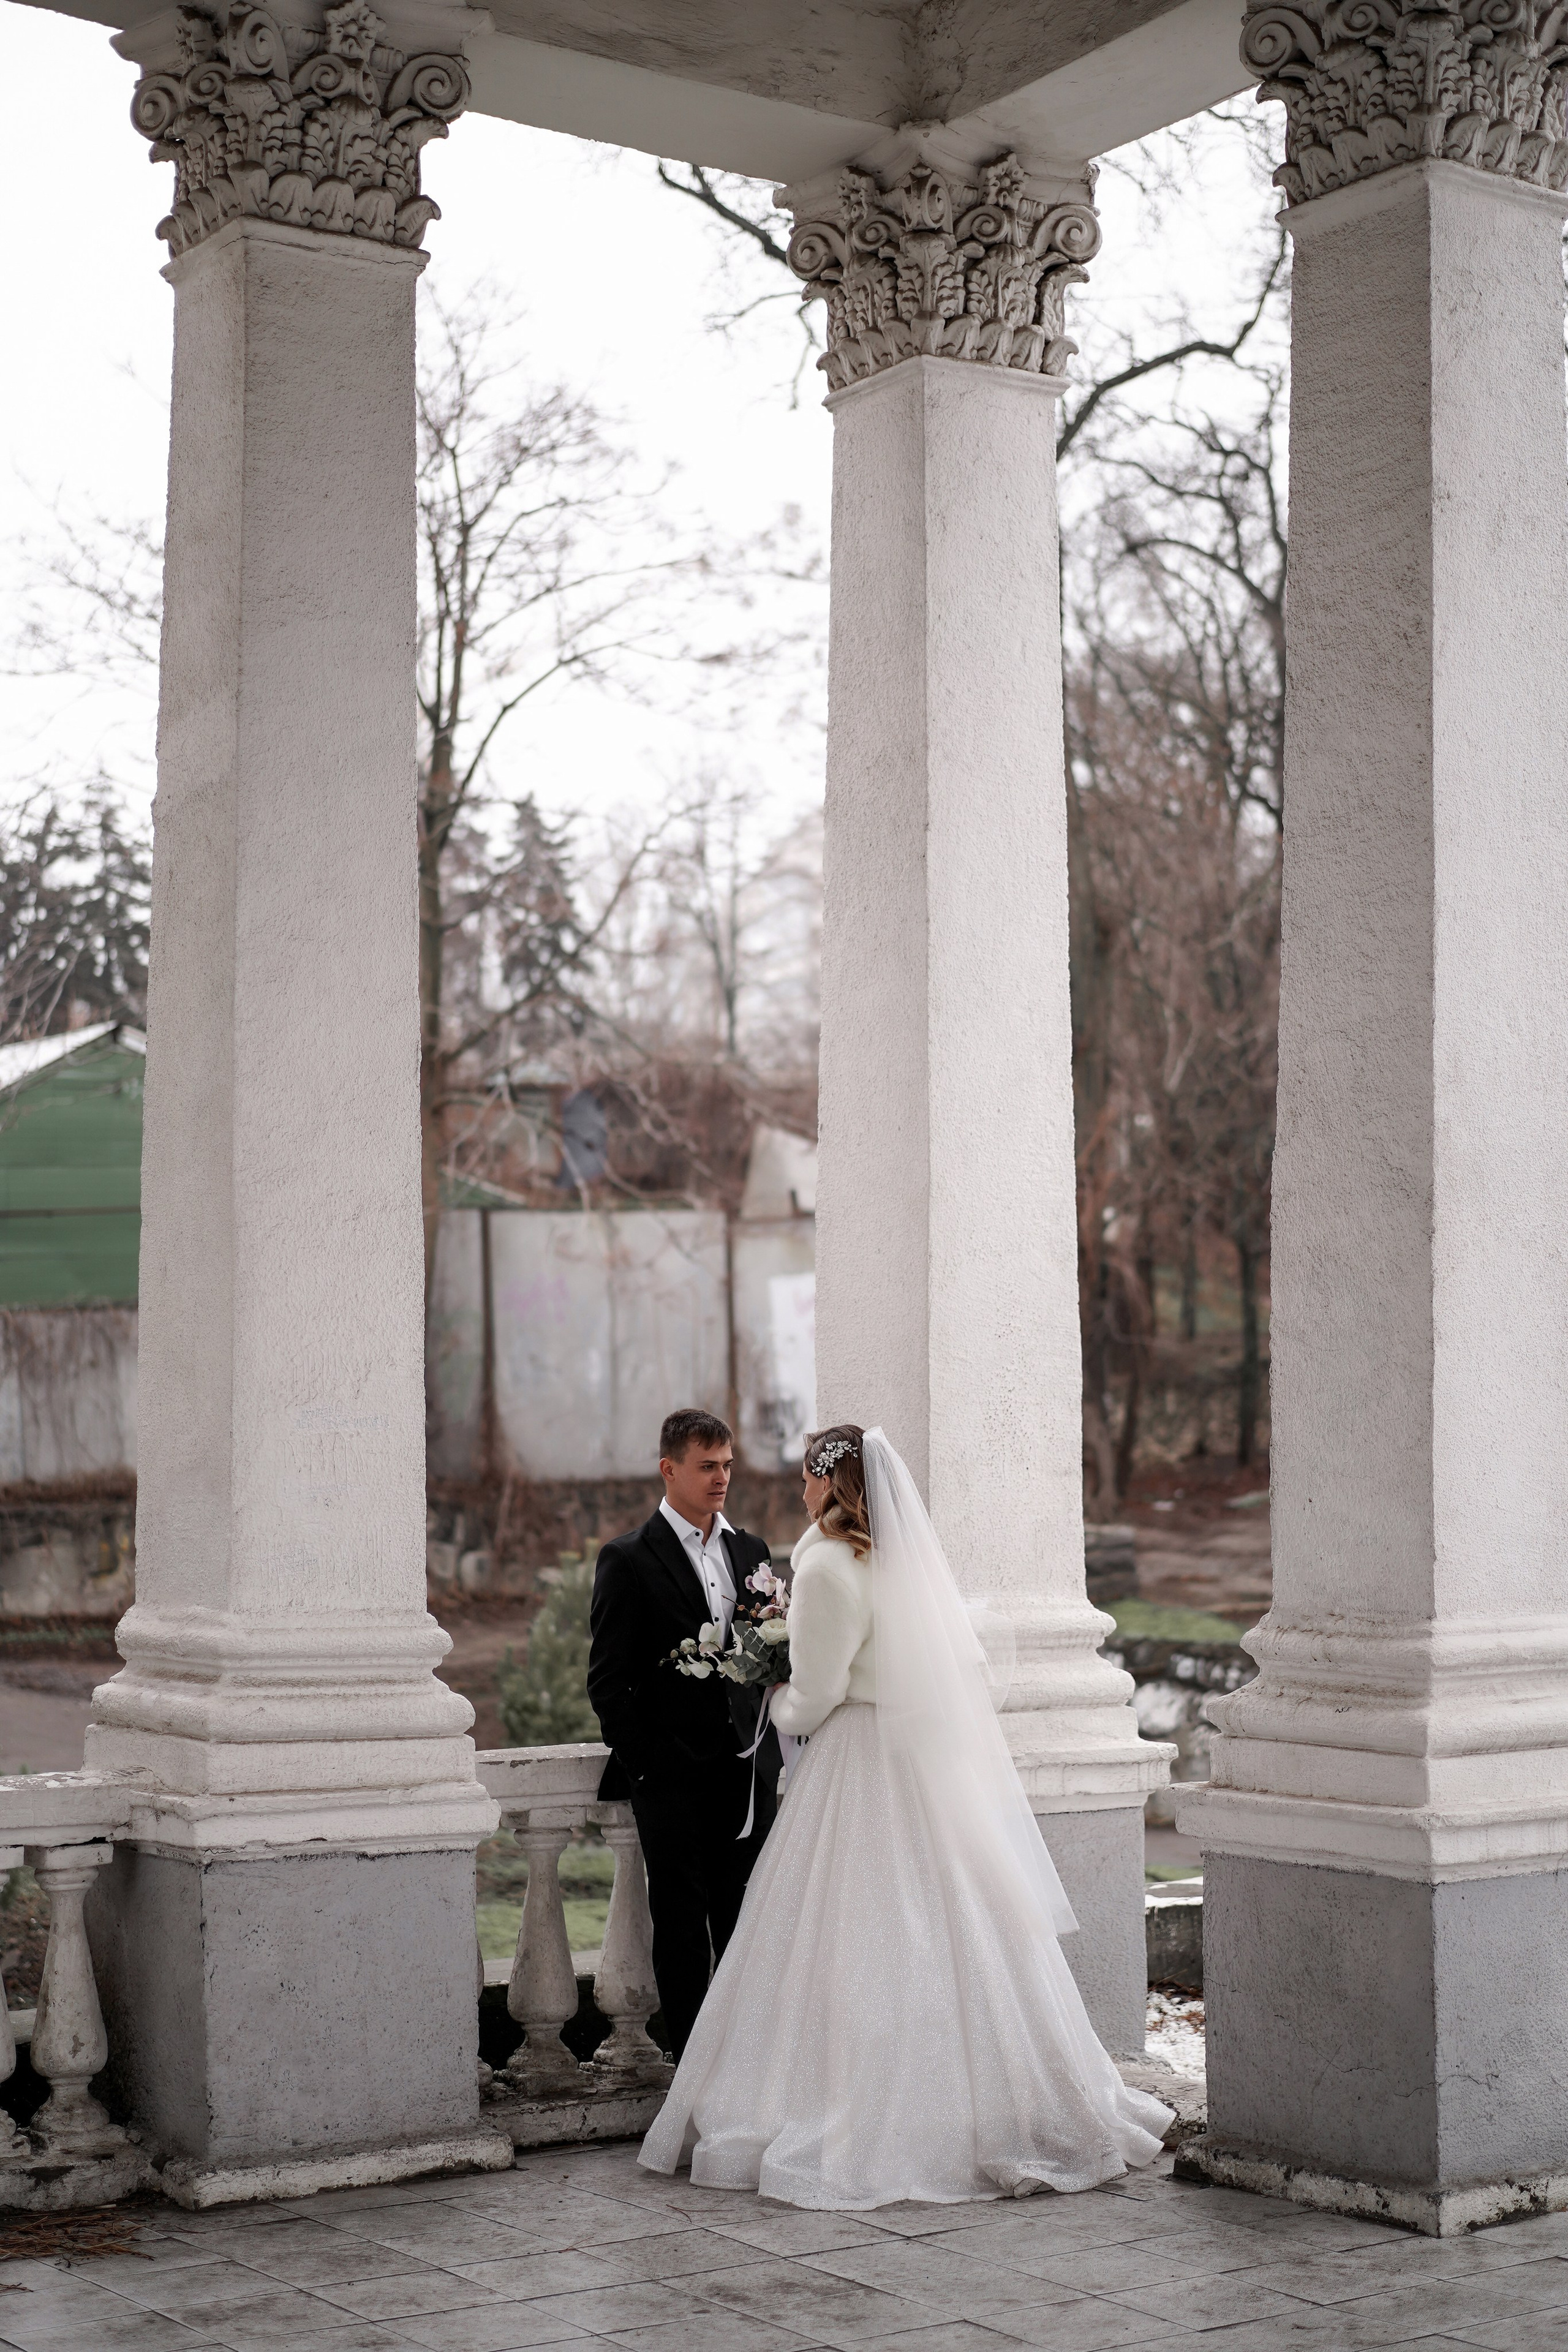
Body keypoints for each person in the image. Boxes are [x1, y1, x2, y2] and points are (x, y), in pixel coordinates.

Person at [639, 1422, 1174, 2207]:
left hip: (857, 1762)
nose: (798, 1490)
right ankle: (999, 2102)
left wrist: (766, 1693)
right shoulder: (897, 1560)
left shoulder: (823, 1563)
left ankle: (854, 2109)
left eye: (804, 1476)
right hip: (922, 1768)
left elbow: (814, 1699)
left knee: (847, 1934)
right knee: (952, 1929)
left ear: (828, 1479)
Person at [587, 1407, 782, 2061]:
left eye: (727, 1465)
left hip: (745, 1772)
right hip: (670, 1780)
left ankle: (747, 2067)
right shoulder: (627, 1560)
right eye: (707, 1467)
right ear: (669, 1469)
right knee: (678, 1928)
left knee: (745, 1921)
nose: (721, 1478)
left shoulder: (750, 1553)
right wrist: (649, 1768)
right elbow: (608, 1682)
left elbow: (766, 1656)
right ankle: (695, 2073)